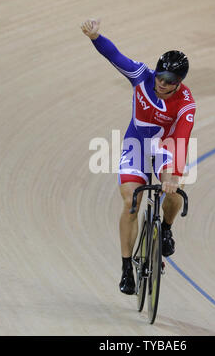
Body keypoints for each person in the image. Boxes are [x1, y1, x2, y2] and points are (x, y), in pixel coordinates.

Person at [81, 18, 196, 295]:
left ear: (179, 83)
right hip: (136, 146)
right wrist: (96, 37)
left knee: (174, 193)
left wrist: (171, 179)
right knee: (131, 203)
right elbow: (114, 55)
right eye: (159, 75)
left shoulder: (185, 103)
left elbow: (180, 142)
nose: (160, 82)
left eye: (168, 81)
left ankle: (166, 228)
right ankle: (125, 268)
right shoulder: (141, 76)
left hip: (166, 148)